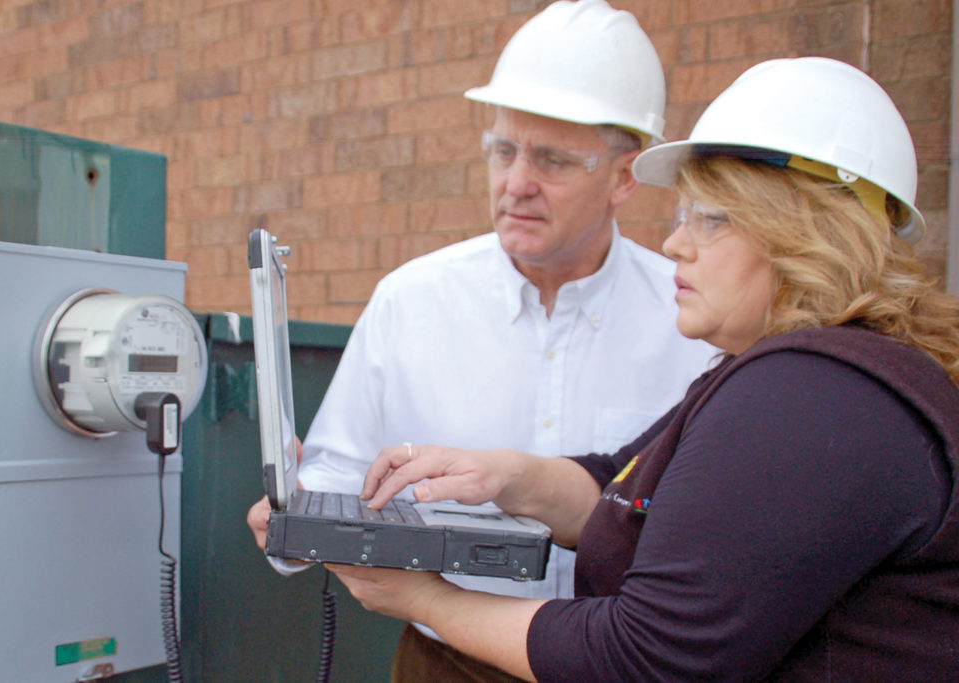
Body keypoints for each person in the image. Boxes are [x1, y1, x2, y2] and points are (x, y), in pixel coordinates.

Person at [323, 57, 959, 681]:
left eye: (710, 220)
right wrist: (502, 475)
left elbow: (646, 657)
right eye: (683, 216)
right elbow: (623, 489)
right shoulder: (802, 375)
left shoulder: (815, 398)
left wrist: (425, 599)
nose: (676, 243)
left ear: (805, 235)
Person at [247, 1, 716, 680]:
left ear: (624, 175)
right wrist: (289, 518)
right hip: (447, 662)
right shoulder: (411, 301)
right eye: (504, 150)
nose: (515, 183)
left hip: (624, 662)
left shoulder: (692, 319)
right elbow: (334, 475)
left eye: (552, 159)